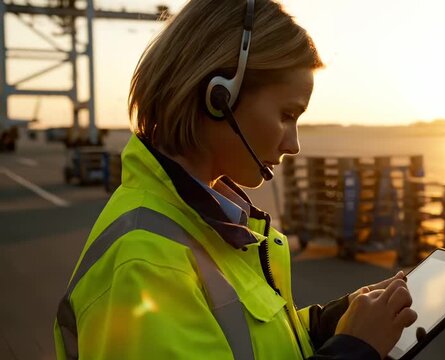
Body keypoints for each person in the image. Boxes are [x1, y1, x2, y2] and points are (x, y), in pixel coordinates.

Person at [53, 0, 417, 359]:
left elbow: (248, 341)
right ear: (218, 97)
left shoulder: (205, 225)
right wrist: (355, 351)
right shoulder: (146, 266)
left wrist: (332, 323)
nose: (293, 144)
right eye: (287, 115)